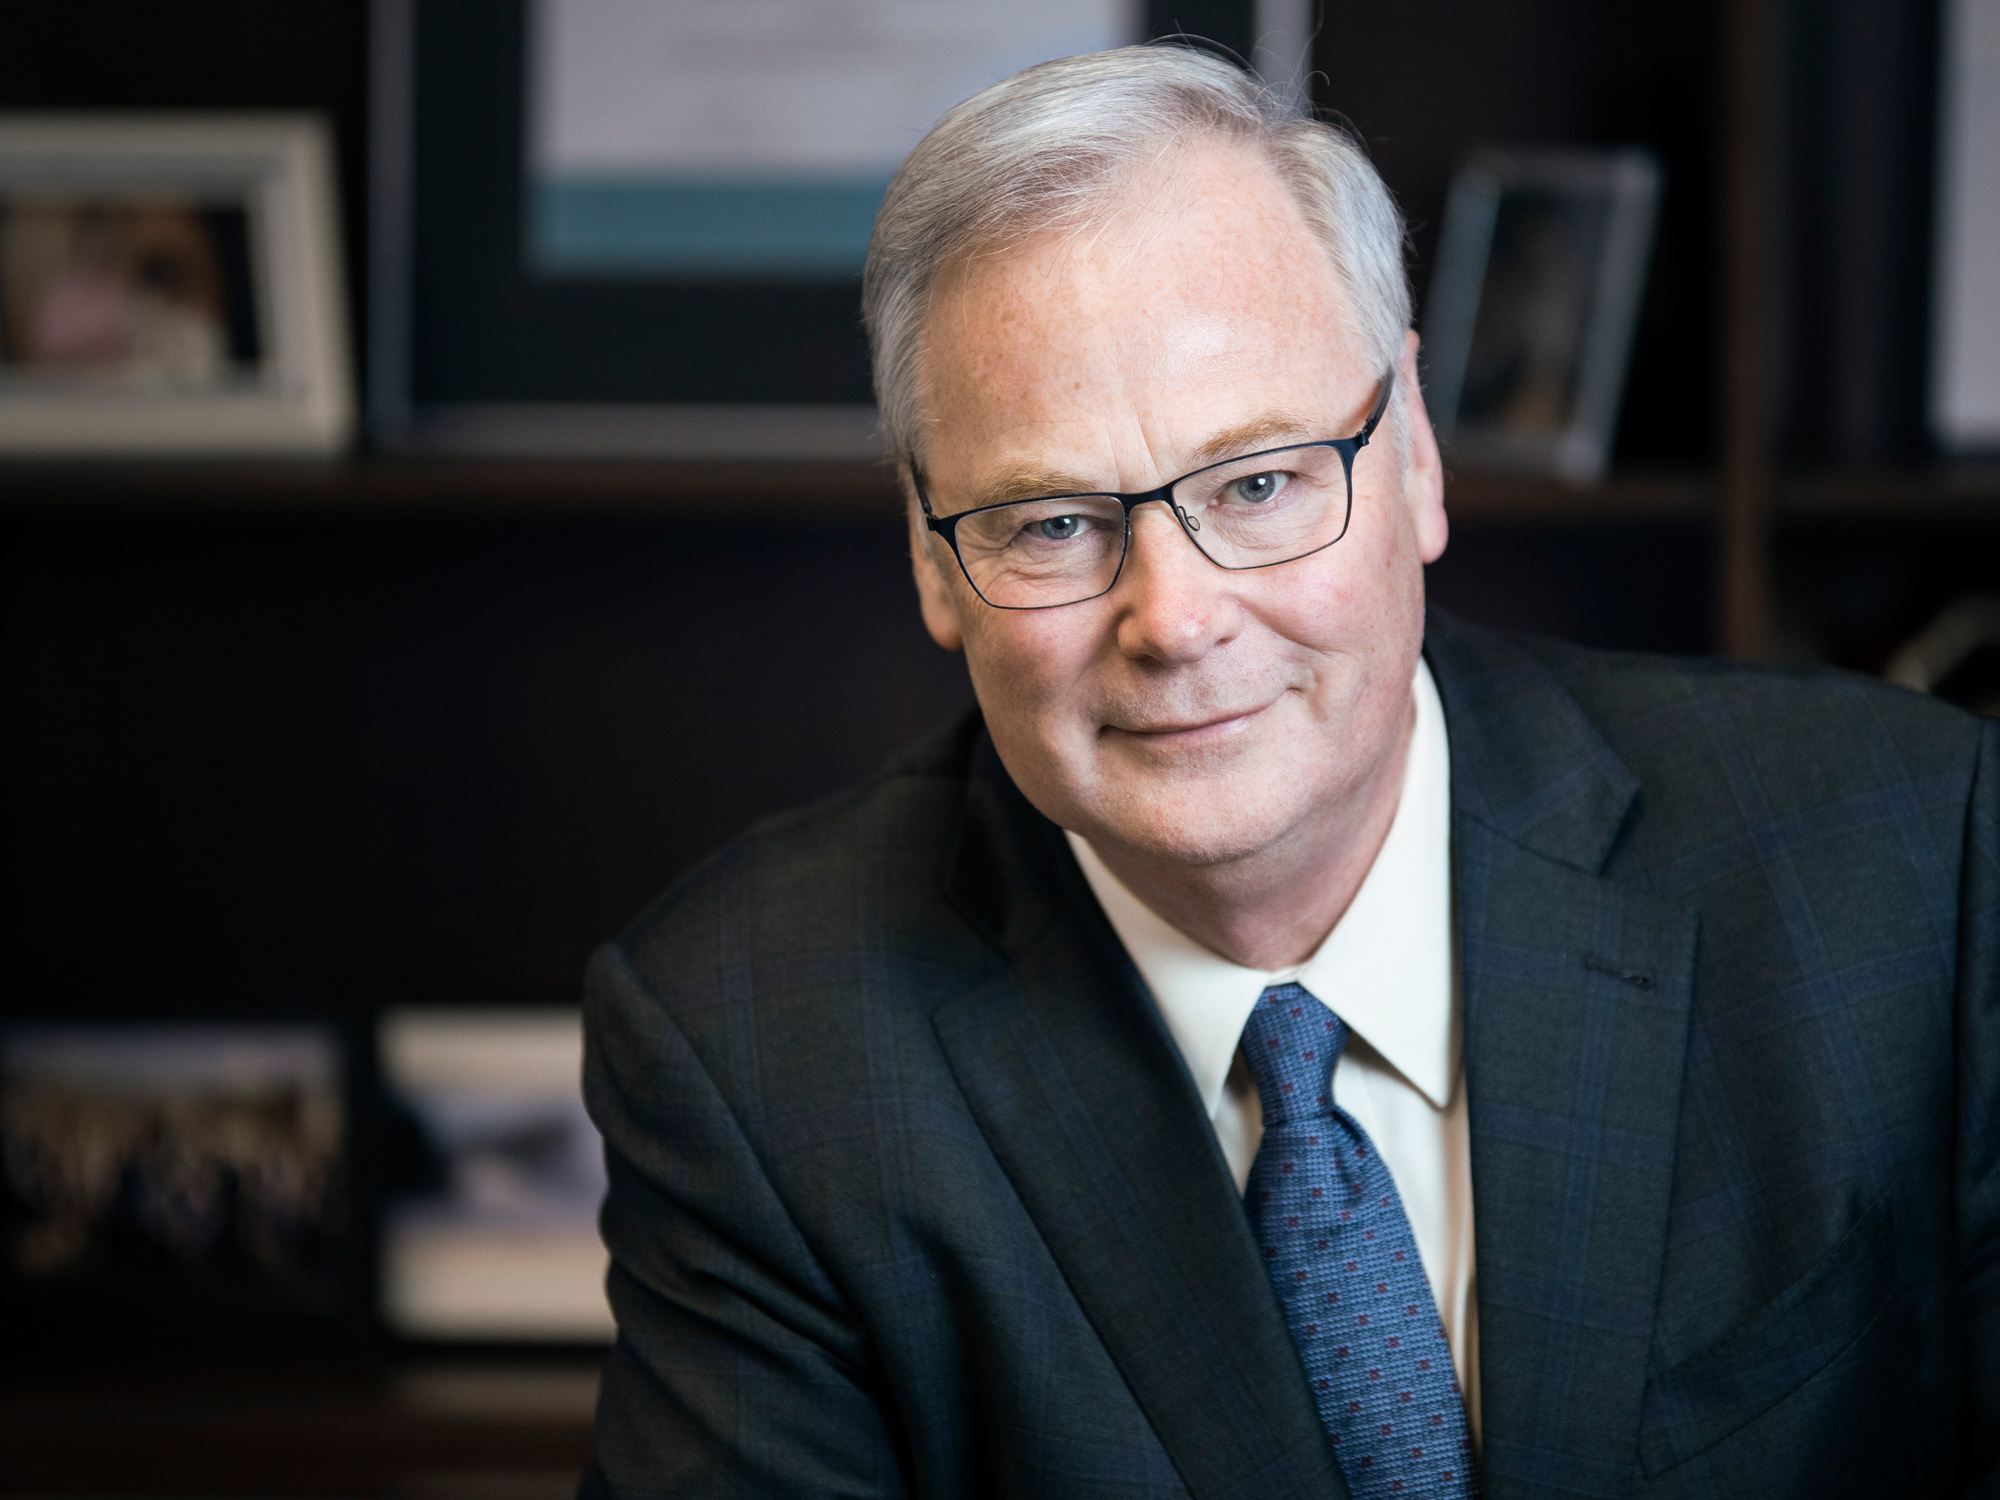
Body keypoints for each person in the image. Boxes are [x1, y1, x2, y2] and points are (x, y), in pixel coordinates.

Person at [578, 45, 1998, 1500]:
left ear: (1418, 457)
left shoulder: (1909, 859)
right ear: (931, 558)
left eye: (1258, 484)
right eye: (1054, 522)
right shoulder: (750, 1047)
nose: (1176, 621)